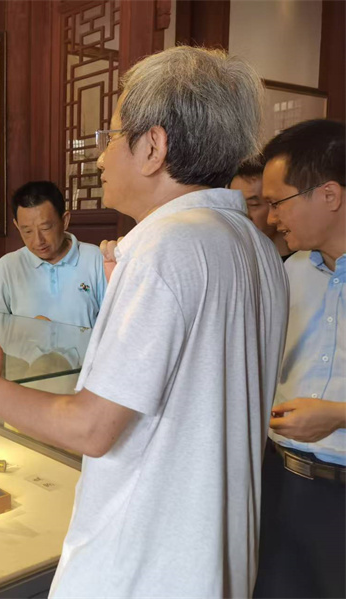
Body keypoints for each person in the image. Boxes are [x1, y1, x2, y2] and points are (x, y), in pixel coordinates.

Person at [0, 46, 288, 597]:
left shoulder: (166, 246)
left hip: (145, 565)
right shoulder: (256, 246)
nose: (100, 158)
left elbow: (92, 428)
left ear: (153, 146)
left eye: (110, 137)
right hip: (211, 558)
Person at [252, 118, 345, 599]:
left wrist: (339, 415)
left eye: (278, 202)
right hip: (281, 483)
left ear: (329, 195)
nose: (271, 218)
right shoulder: (288, 274)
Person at [0, 181, 106, 327]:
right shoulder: (7, 267)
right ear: (17, 226)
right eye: (27, 231)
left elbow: (114, 322)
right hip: (26, 343)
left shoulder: (96, 259)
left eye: (46, 228)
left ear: (65, 220)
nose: (38, 241)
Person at [230, 155, 293, 260]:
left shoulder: (305, 262)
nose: (244, 214)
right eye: (236, 205)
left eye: (253, 204)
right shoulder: (236, 260)